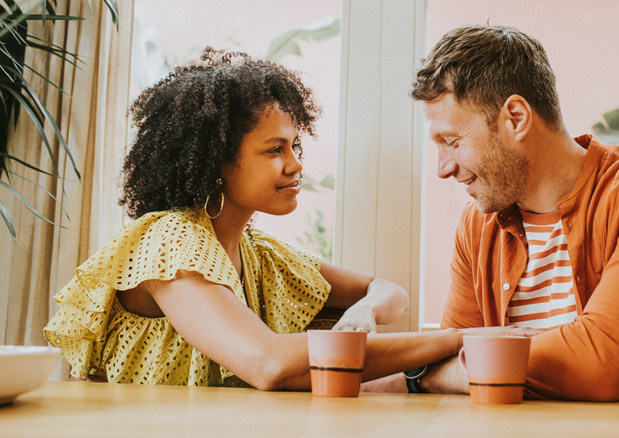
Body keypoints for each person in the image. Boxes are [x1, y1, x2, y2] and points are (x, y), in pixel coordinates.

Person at [43, 47, 486, 389]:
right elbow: (269, 363)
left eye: (295, 147)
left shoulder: (258, 253)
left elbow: (389, 291)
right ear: (217, 161)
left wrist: (366, 311)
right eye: (275, 150)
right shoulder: (170, 241)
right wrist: (462, 339)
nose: (295, 165)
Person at [366, 25, 619, 400]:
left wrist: (429, 376)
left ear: (516, 118)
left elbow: (599, 365)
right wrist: (433, 373)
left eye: (452, 142)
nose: (443, 168)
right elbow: (445, 360)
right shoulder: (477, 225)